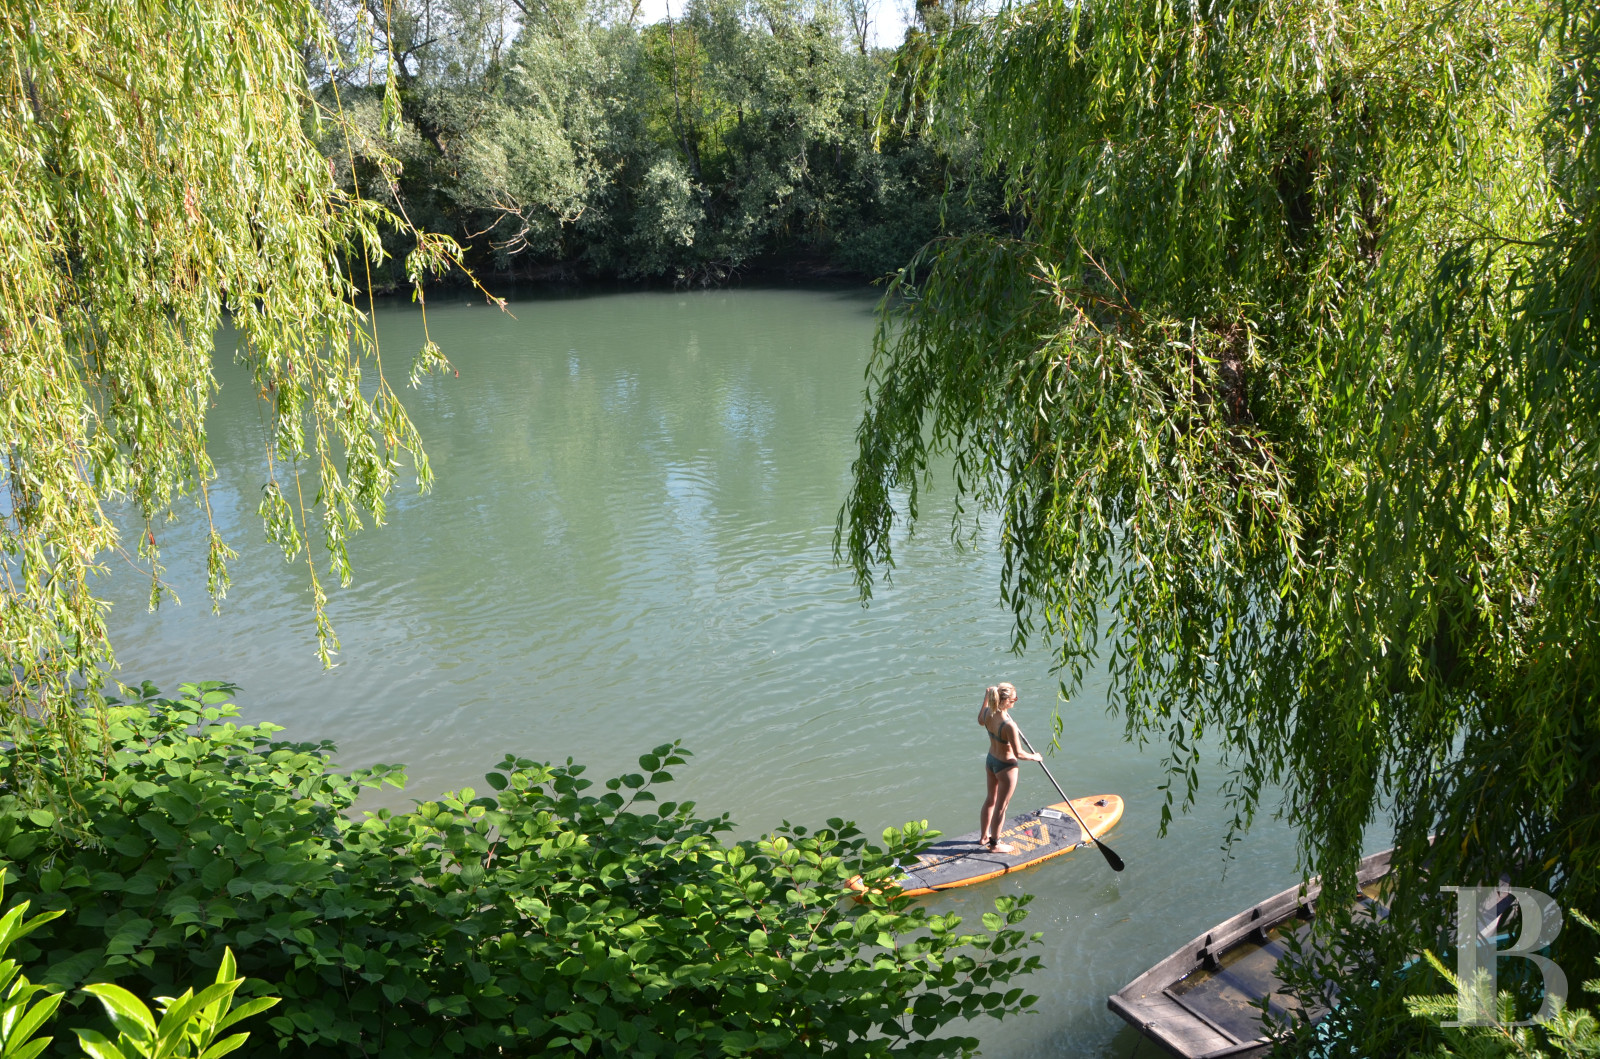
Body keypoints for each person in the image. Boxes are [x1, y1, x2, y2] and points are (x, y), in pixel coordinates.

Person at [977, 682, 1041, 853]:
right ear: (1006, 701)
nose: (1015, 701)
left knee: (990, 799)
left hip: (991, 761)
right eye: (1014, 699)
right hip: (1006, 767)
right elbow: (1019, 753)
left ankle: (984, 836)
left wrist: (985, 697)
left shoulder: (988, 713)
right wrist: (1034, 757)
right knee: (1001, 806)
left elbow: (980, 721)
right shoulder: (1009, 725)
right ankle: (995, 844)